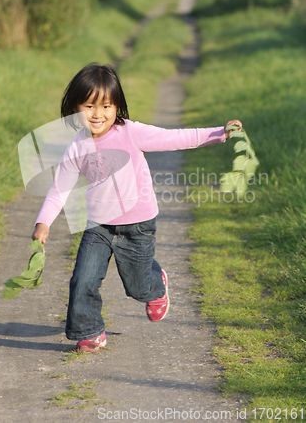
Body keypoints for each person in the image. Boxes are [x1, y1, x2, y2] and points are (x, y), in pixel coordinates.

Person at [31, 63, 242, 353]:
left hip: (138, 224)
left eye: (106, 105)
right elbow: (60, 188)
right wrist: (43, 223)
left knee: (138, 288)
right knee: (82, 279)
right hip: (98, 226)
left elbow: (175, 138)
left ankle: (157, 284)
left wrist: (220, 133)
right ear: (76, 107)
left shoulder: (130, 133)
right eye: (89, 105)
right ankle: (91, 331)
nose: (97, 114)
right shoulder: (77, 147)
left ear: (117, 106)